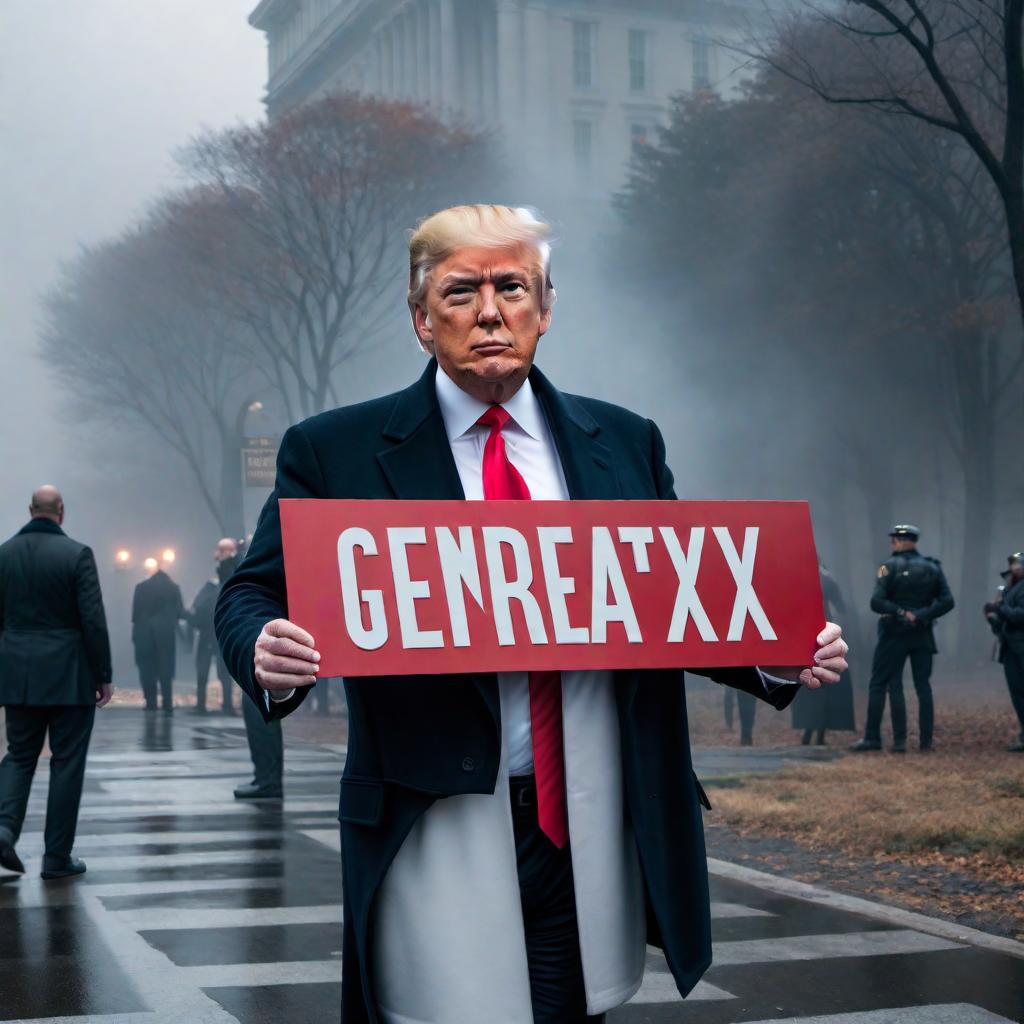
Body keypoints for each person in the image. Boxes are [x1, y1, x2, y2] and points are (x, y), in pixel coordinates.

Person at [216, 205, 847, 1024]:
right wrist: (264, 644)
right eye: (460, 292)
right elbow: (250, 592)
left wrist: (774, 650)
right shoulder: (333, 449)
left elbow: (670, 599)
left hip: (591, 808)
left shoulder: (623, 441)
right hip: (433, 810)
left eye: (511, 287)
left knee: (573, 1007)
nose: (489, 312)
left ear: (544, 308)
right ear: (420, 319)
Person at [0, 486, 113, 879]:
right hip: (69, 674)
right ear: (60, 511)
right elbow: (92, 620)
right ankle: (56, 856)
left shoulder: (4, 555)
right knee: (66, 763)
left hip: (18, 673)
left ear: (31, 510)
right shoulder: (77, 554)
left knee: (19, 755)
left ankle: (4, 829)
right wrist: (104, 675)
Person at [851, 524, 954, 754]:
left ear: (902, 541)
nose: (892, 543)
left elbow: (875, 602)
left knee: (884, 683)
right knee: (923, 687)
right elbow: (947, 601)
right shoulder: (933, 568)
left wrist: (899, 612)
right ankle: (925, 742)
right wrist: (921, 615)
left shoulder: (887, 567)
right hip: (922, 634)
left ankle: (880, 740)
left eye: (895, 539)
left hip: (893, 634)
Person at [220, 539, 284, 799]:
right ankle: (267, 778)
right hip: (262, 645)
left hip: (264, 645)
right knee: (259, 711)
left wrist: (230, 560)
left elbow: (234, 588)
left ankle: (268, 780)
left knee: (260, 711)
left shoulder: (253, 560)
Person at [792, 562, 856, 744]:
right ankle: (819, 735)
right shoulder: (826, 578)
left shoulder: (797, 576)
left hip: (803, 633)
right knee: (826, 680)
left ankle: (808, 732)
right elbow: (842, 607)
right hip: (824, 632)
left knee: (807, 679)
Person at [186, 539, 238, 715]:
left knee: (212, 670)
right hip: (219, 633)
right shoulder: (221, 582)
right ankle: (225, 705)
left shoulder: (212, 586)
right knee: (219, 671)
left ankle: (209, 704)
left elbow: (197, 607)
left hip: (212, 633)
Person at [131, 560, 184, 712]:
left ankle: (150, 703)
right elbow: (179, 611)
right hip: (166, 634)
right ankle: (167, 703)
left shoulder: (140, 587)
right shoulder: (173, 587)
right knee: (166, 670)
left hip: (144, 633)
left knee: (147, 669)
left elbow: (135, 615)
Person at [985, 551, 1024, 752]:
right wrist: (992, 617)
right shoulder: (1009, 590)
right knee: (1017, 693)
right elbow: (1004, 624)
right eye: (1012, 565)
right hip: (1010, 648)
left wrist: (1000, 609)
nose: (1013, 569)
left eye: (1017, 565)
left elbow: (1020, 617)